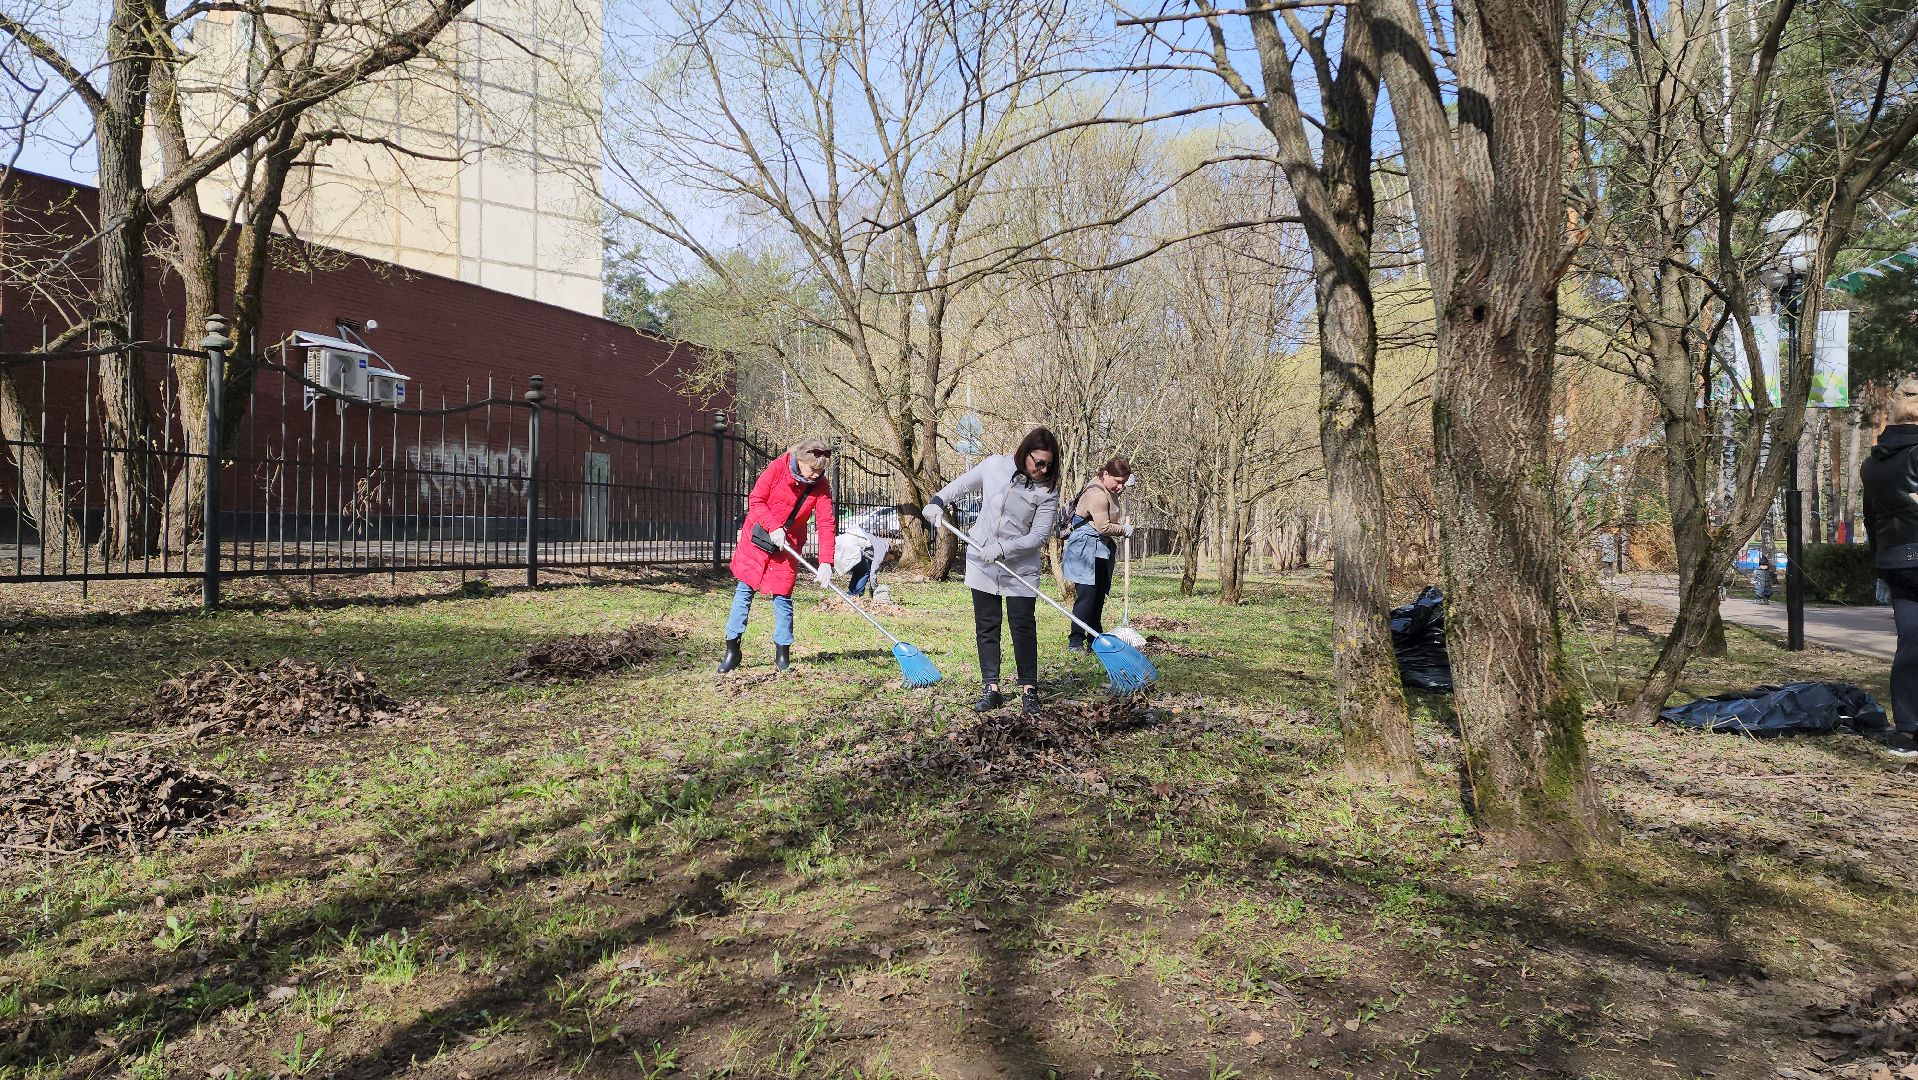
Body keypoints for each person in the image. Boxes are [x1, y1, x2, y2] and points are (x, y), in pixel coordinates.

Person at [923, 428, 1061, 714]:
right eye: (1039, 462)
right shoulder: (994, 466)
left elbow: (1038, 536)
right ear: (1025, 454)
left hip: (1020, 566)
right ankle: (992, 688)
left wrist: (1003, 549)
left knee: (1022, 626)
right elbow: (959, 487)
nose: (1043, 469)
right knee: (987, 625)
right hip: (981, 558)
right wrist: (937, 502)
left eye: (1049, 465)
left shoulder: (1046, 491)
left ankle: (1029, 689)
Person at [720, 439, 836, 673]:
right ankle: (733, 649)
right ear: (800, 461)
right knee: (744, 591)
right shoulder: (777, 468)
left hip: (788, 545)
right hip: (759, 536)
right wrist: (773, 526)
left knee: (783, 597)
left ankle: (782, 653)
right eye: (813, 469)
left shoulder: (820, 485)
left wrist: (826, 562)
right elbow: (756, 500)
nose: (816, 475)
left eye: (820, 471)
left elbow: (826, 523)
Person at [1861, 377, 1918, 744]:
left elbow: (1870, 518)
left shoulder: (1873, 463)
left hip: (1896, 561)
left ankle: (1908, 730)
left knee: (1911, 642)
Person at [1061, 457, 1134, 651]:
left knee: (1099, 595)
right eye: (1118, 482)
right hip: (1085, 550)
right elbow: (1103, 527)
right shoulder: (1097, 494)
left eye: (1124, 482)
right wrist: (1124, 529)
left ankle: (1094, 638)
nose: (1120, 487)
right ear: (1105, 474)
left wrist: (1124, 483)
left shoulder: (1109, 489)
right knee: (1087, 596)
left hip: (1100, 549)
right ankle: (1075, 641)